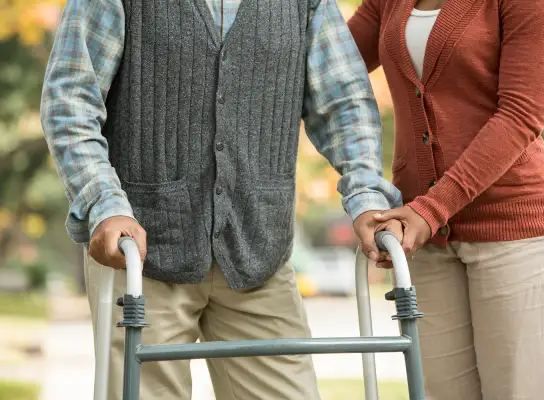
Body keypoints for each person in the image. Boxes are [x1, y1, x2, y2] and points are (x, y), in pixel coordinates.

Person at [41, 0, 404, 399]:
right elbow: (70, 100)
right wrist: (104, 203)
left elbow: (343, 102)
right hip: (140, 252)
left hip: (258, 250)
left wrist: (366, 194)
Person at [348, 0, 544, 399]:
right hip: (426, 239)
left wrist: (431, 208)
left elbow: (521, 114)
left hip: (513, 229)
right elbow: (328, 65)